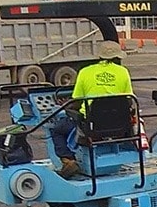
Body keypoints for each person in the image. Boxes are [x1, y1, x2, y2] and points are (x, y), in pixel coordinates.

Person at [50, 40, 134, 178]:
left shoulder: (85, 72)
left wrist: (66, 107)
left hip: (90, 125)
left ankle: (68, 161)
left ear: (99, 55)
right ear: (117, 56)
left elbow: (77, 101)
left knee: (57, 129)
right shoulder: (123, 72)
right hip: (119, 125)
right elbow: (128, 100)